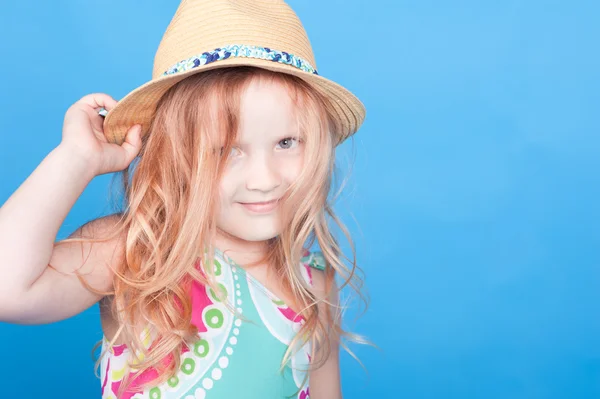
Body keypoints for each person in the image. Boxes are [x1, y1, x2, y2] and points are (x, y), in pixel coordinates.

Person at [0, 0, 368, 397]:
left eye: (286, 142)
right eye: (227, 150)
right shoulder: (137, 252)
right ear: (176, 157)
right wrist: (75, 160)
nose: (264, 179)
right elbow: (8, 288)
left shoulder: (313, 284)